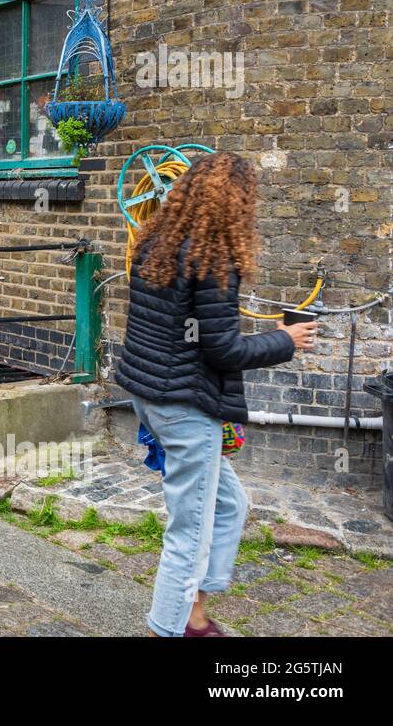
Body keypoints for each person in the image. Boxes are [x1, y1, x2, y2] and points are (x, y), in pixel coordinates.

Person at [116, 153, 317, 637]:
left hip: (151, 395)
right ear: (236, 202)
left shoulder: (154, 243)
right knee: (189, 531)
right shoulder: (213, 260)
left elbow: (187, 334)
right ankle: (167, 628)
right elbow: (223, 349)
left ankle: (194, 613)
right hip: (184, 407)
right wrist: (286, 342)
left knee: (230, 506)